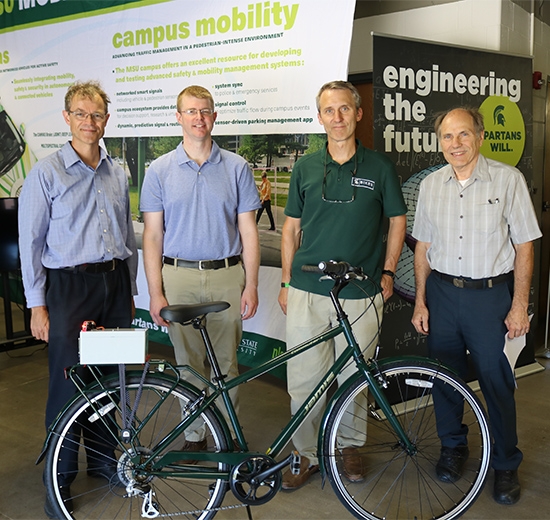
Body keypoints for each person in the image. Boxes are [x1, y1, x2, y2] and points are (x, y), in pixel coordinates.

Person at [278, 80, 407, 490]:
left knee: (356, 376)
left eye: (345, 109)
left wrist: (387, 272)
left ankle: (349, 446)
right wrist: (285, 280)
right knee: (303, 378)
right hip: (306, 290)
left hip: (361, 291)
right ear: (320, 117)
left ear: (358, 113)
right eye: (329, 111)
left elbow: (397, 221)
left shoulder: (379, 167)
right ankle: (306, 453)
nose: (337, 118)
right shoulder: (305, 167)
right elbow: (291, 228)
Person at [18, 80, 138, 517]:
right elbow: (30, 242)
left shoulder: (117, 169)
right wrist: (37, 305)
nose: (91, 122)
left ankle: (106, 462)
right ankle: (59, 477)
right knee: (68, 387)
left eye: (98, 115)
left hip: (113, 286)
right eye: (82, 114)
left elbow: (126, 234)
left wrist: (130, 290)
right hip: (68, 288)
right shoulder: (46, 173)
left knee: (109, 378)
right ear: (67, 118)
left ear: (107, 119)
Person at [411, 107, 541, 506]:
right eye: (448, 137)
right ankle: (454, 447)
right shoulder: (431, 185)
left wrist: (520, 305)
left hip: (491, 299)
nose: (456, 144)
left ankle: (505, 464)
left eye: (463, 135)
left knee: (496, 383)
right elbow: (423, 248)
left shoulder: (508, 179)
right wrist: (420, 300)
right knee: (445, 379)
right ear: (440, 142)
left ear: (480, 137)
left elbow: (525, 245)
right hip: (444, 295)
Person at [140, 85, 261, 449]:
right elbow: (152, 236)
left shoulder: (237, 167)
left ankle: (227, 439)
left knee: (226, 364)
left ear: (214, 116)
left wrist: (251, 284)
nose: (199, 118)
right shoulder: (159, 170)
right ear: (178, 117)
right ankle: (194, 435)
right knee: (187, 366)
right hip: (178, 277)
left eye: (205, 111)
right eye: (191, 111)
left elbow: (249, 230)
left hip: (227, 275)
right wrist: (156, 291)